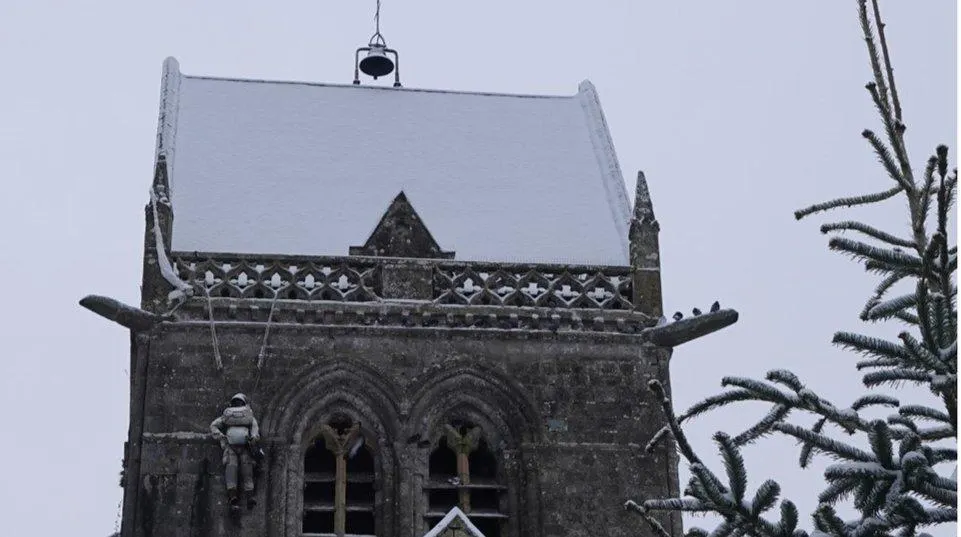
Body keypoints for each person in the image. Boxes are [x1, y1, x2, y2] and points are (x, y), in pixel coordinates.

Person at [210, 393, 260, 510]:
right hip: (232, 448)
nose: (238, 405)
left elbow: (255, 430)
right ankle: (234, 497)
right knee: (232, 471)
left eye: (239, 403)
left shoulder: (246, 417)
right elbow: (214, 426)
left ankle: (248, 497)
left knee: (245, 471)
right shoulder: (230, 417)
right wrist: (221, 437)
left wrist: (253, 438)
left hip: (244, 448)